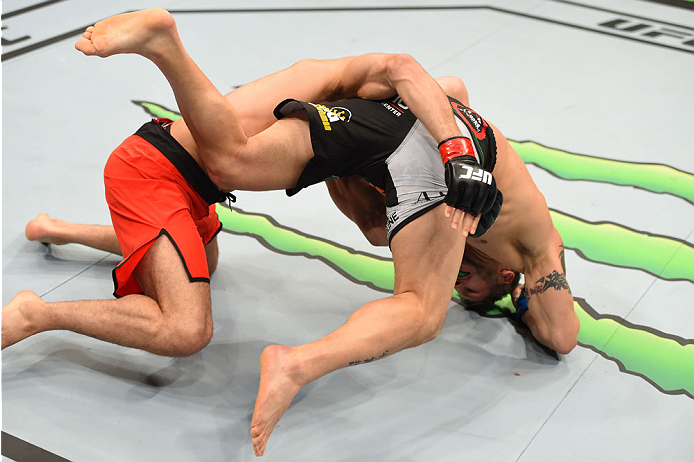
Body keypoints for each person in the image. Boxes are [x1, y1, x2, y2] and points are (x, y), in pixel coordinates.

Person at [1, 8, 579, 457]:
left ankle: (56, 228)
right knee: (192, 322)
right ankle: (37, 313)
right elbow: (561, 334)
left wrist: (378, 157)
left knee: (211, 240)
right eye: (471, 286)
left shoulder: (348, 99)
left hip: (191, 181)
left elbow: (380, 223)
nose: (460, 280)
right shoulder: (530, 247)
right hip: (156, 169)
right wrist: (459, 154)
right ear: (504, 274)